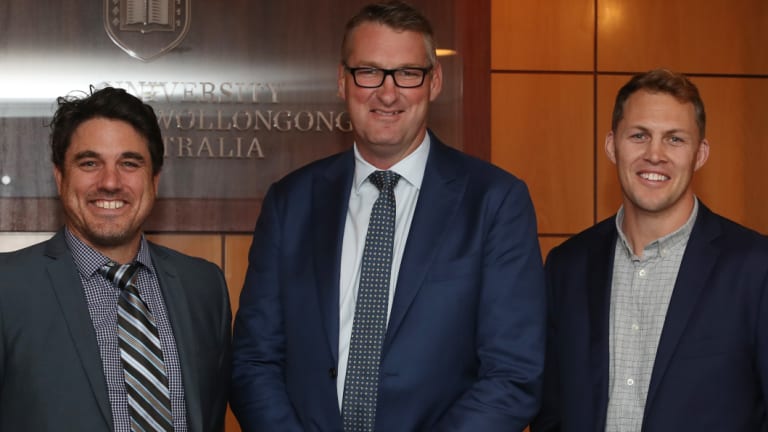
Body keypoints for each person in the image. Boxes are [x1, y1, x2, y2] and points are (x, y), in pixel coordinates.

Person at [230, 1, 546, 431]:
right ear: (343, 82)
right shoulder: (291, 202)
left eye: (407, 73)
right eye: (369, 72)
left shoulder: (494, 202)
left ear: (434, 82)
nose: (387, 92)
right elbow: (254, 360)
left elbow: (512, 375)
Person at [531, 68, 768, 431]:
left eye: (675, 139)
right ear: (612, 145)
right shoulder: (567, 267)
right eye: (639, 135)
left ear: (700, 154)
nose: (654, 154)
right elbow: (550, 408)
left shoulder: (755, 267)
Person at [0, 87, 231, 431]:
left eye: (129, 163)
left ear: (154, 180)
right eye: (90, 163)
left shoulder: (203, 287)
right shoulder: (8, 288)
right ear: (60, 177)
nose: (110, 182)